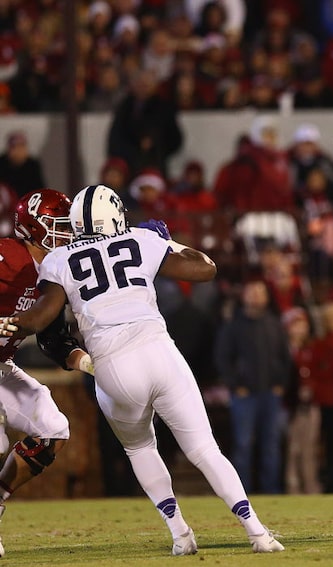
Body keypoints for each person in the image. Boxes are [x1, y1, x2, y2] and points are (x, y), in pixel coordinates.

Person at [0, 185, 283, 555]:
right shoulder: (138, 238)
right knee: (204, 448)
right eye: (57, 223)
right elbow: (205, 269)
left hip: (110, 366)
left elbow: (46, 324)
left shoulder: (58, 261)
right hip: (160, 352)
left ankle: (181, 533)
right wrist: (166, 241)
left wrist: (21, 325)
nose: (64, 230)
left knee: (122, 444)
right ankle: (257, 532)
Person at [0, 189, 94, 557]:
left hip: (2, 365)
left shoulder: (57, 270)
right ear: (33, 226)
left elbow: (53, 339)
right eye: (57, 226)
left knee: (53, 428)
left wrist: (88, 363)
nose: (66, 235)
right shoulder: (8, 255)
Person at [213, 278, 292, 494]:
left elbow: (285, 358)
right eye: (252, 291)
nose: (256, 296)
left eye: (260, 291)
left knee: (271, 447)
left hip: (270, 394)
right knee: (243, 446)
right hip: (244, 396)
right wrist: (235, 385)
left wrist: (280, 384)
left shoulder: (275, 325)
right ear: (244, 296)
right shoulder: (233, 327)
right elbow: (222, 359)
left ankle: (272, 493)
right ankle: (241, 494)